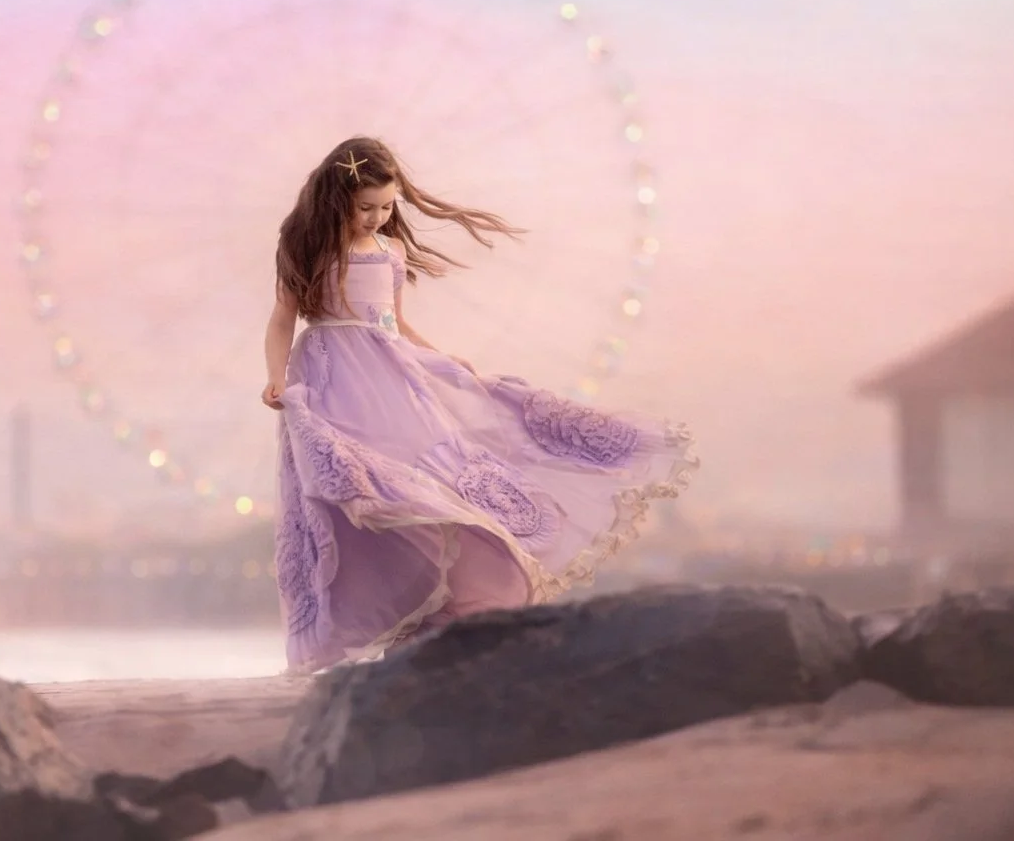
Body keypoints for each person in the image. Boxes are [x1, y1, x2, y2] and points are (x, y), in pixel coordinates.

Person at [262, 136, 698, 674]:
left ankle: (443, 612)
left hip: (395, 381)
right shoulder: (306, 248)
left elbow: (394, 326)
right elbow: (284, 318)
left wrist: (444, 361)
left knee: (436, 481)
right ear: (337, 200)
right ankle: (390, 607)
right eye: (365, 207)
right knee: (360, 494)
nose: (377, 217)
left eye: (386, 205)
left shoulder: (391, 253)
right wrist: (275, 379)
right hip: (332, 383)